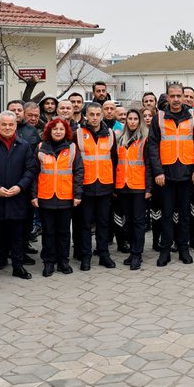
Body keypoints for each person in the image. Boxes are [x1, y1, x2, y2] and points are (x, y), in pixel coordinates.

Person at [147, 83, 194, 267]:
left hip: (188, 175)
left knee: (185, 215)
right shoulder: (159, 118)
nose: (175, 99)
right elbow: (153, 147)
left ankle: (184, 250)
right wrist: (158, 171)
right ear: (167, 97)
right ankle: (165, 251)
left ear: (183, 96)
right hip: (166, 176)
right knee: (166, 215)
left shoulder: (193, 116)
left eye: (179, 95)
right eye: (172, 96)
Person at [0, 111, 39, 284]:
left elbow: (31, 170)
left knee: (18, 237)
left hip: (17, 199)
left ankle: (18, 267)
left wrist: (20, 187)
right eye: (4, 124)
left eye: (10, 125)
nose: (7, 127)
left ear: (15, 126)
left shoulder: (24, 145)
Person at [33, 117, 82, 277]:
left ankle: (63, 261)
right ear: (49, 131)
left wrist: (77, 194)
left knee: (63, 232)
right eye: (55, 129)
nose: (58, 132)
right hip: (45, 197)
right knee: (48, 232)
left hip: (65, 197)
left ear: (66, 131)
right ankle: (48, 262)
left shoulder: (73, 148)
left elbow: (78, 172)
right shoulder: (40, 148)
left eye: (61, 129)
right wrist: (33, 195)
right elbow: (34, 174)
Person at [76, 102, 119, 270]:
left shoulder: (109, 134)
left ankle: (103, 255)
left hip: (105, 184)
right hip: (86, 184)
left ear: (102, 115)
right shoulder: (78, 134)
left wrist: (115, 186)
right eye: (91, 114)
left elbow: (114, 160)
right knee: (85, 224)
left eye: (97, 114)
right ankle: (86, 256)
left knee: (103, 223)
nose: (94, 118)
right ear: (86, 115)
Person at [116, 107, 151, 270]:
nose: (132, 121)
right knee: (128, 222)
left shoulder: (145, 140)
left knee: (138, 222)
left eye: (135, 119)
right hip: (123, 186)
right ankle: (132, 251)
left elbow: (149, 165)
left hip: (139, 187)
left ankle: (137, 254)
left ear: (140, 121)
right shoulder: (120, 139)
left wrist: (149, 188)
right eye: (130, 118)